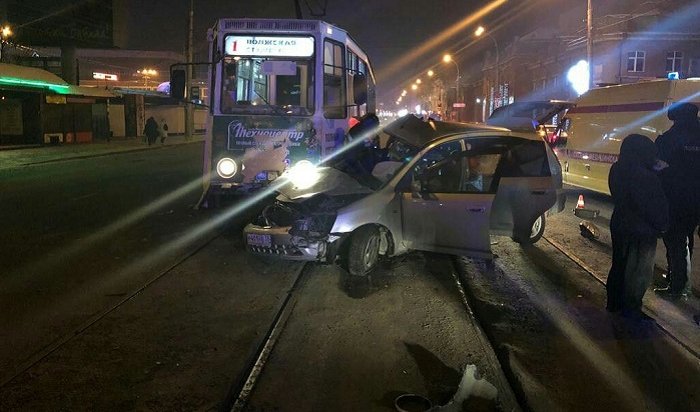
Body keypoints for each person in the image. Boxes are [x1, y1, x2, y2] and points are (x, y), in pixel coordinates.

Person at [606, 134, 669, 320]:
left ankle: (614, 303)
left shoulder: (618, 168)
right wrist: (662, 225)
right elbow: (652, 205)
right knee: (638, 271)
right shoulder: (645, 177)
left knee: (620, 265)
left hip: (620, 223)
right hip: (642, 230)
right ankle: (631, 308)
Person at [654, 102, 700, 298]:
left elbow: (656, 164)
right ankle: (681, 279)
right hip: (696, 200)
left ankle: (676, 285)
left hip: (675, 198)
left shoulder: (670, 139)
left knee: (675, 242)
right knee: (688, 240)